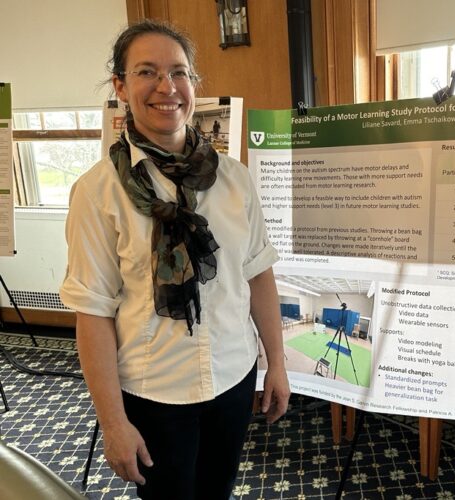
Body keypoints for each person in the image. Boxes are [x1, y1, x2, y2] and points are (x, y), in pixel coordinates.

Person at [60, 19, 290, 500]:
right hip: (154, 390)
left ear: (194, 85)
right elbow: (94, 311)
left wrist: (278, 364)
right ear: (121, 86)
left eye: (179, 72)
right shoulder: (98, 192)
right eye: (147, 72)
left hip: (232, 373)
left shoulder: (234, 179)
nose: (167, 87)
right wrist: (113, 422)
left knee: (219, 490)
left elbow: (257, 276)